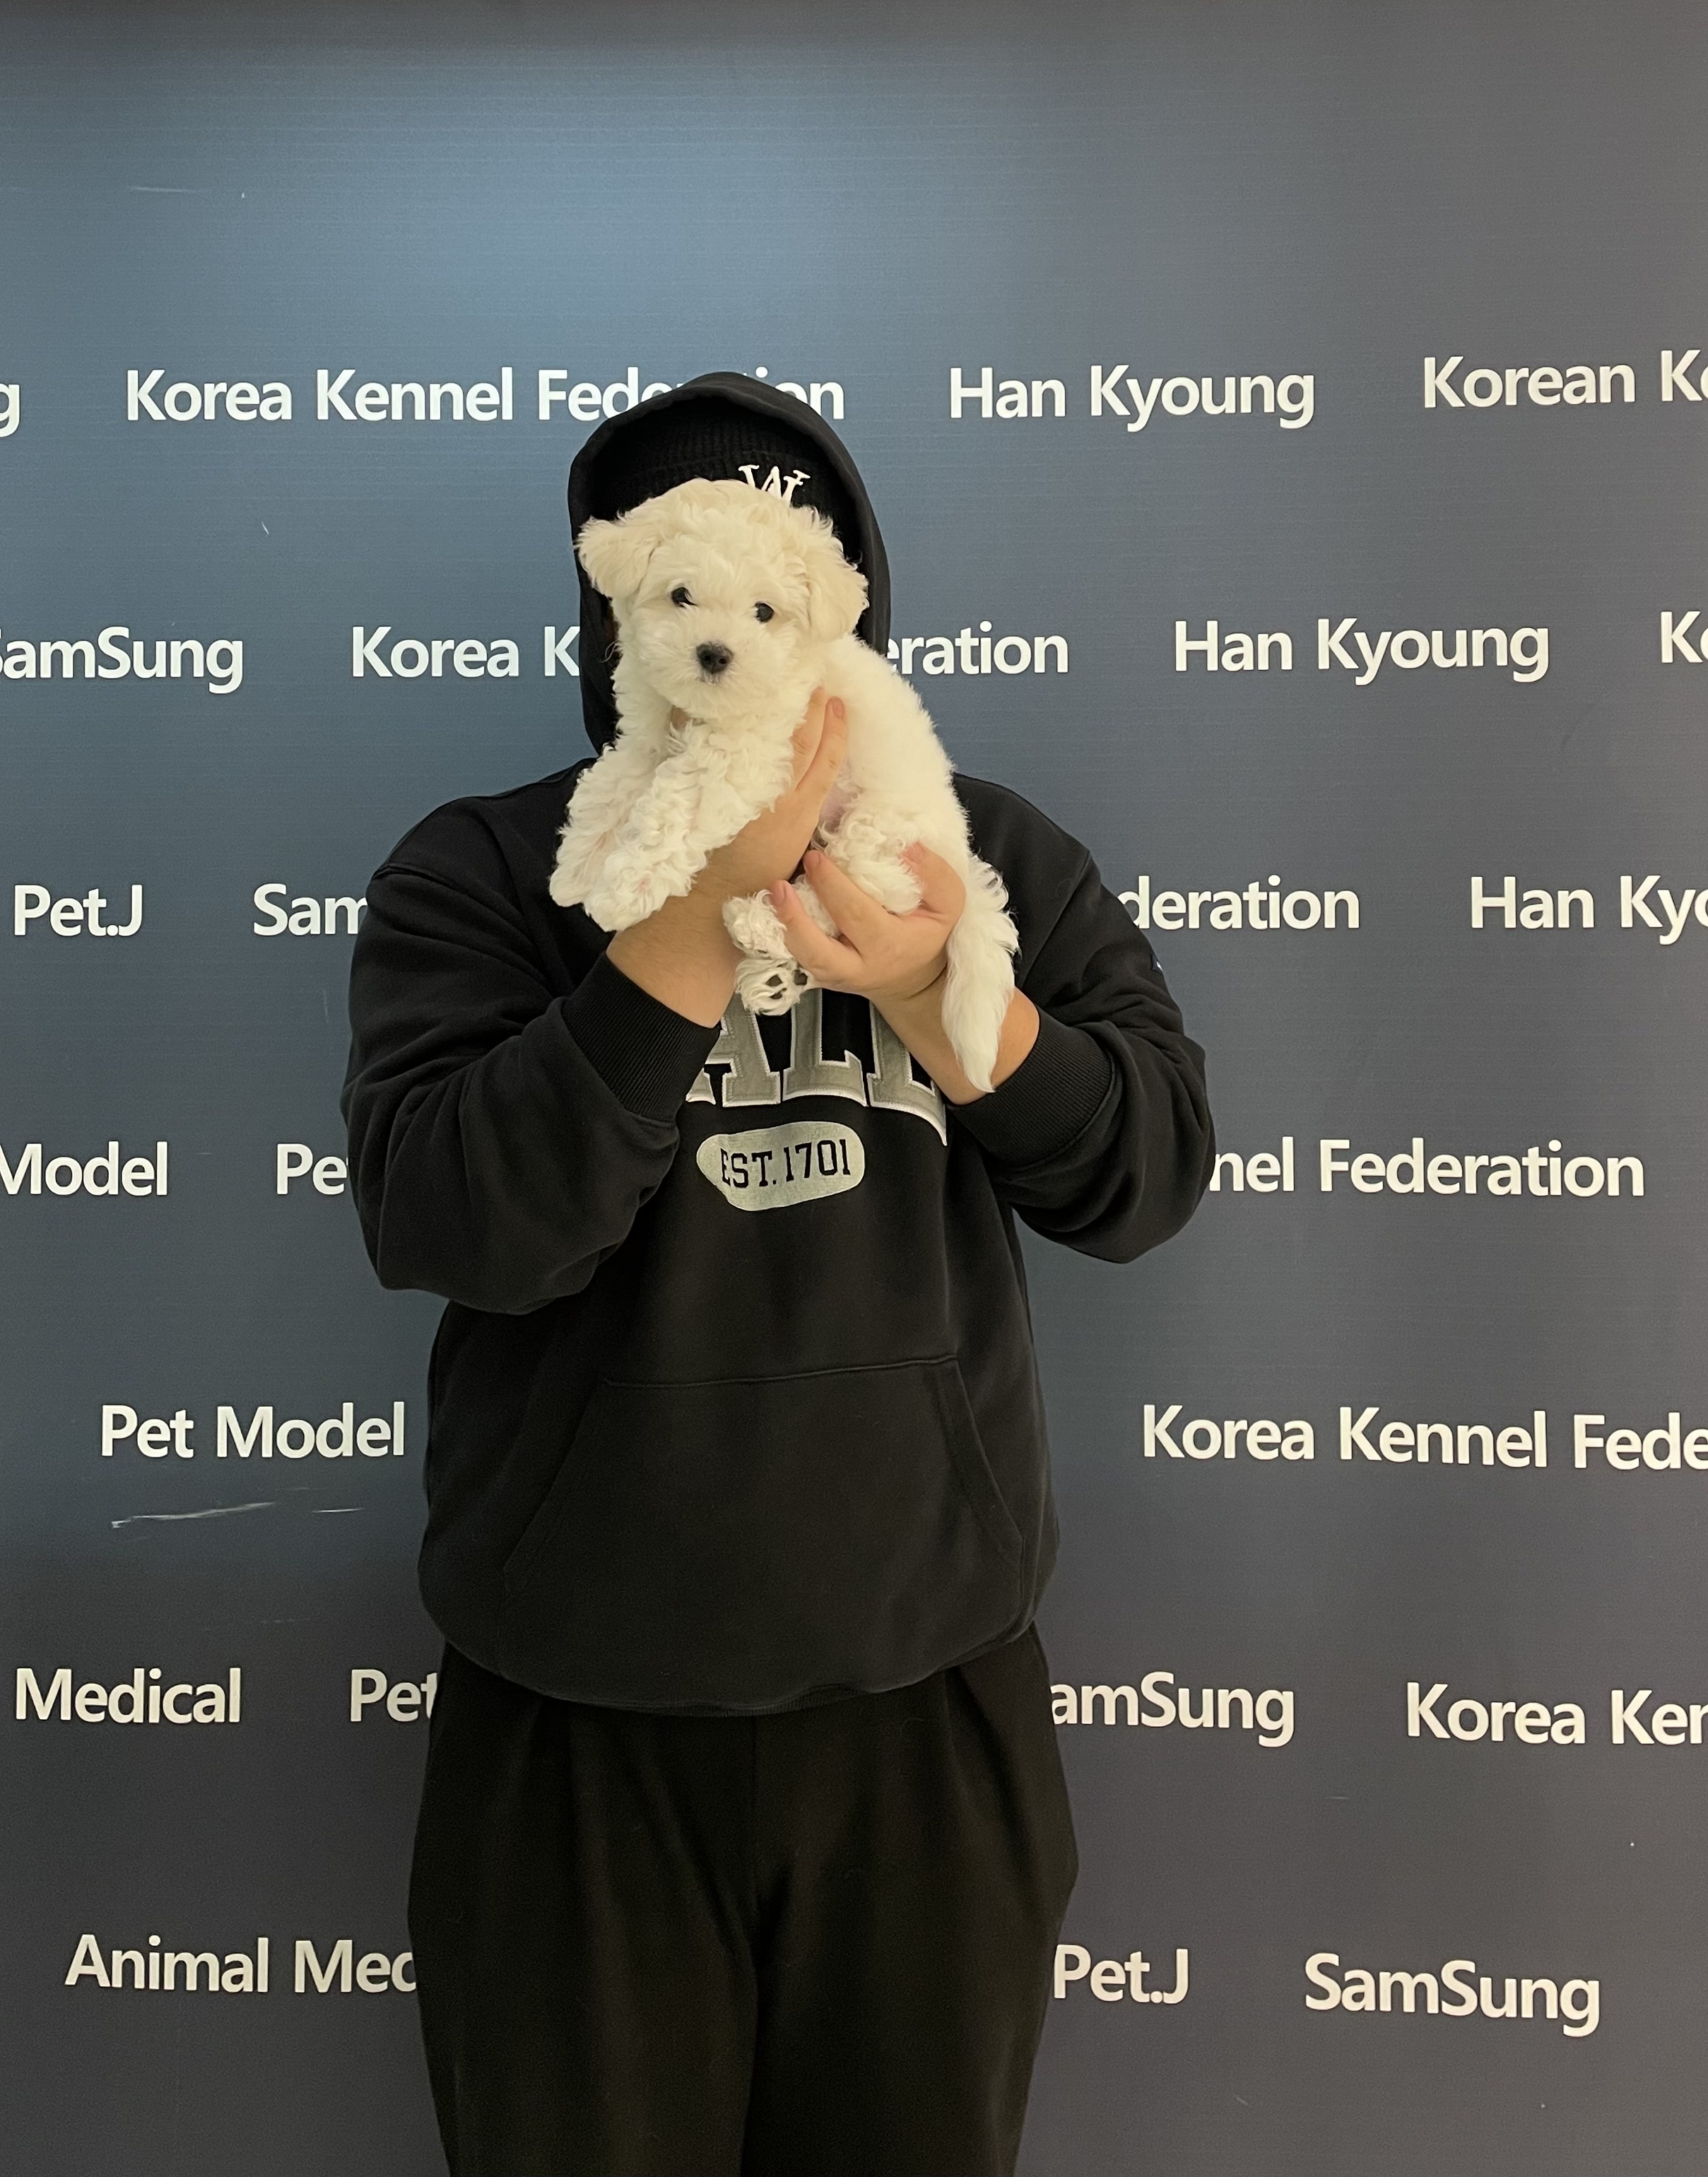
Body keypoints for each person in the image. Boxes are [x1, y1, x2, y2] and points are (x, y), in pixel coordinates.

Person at [342, 372, 1213, 2177]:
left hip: (926, 1703)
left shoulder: (980, 852)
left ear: (847, 606)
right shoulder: (488, 870)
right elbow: (450, 1222)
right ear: (616, 610)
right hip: (571, 1722)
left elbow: (1147, 1171)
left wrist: (948, 998)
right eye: (680, 575)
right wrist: (681, 929)